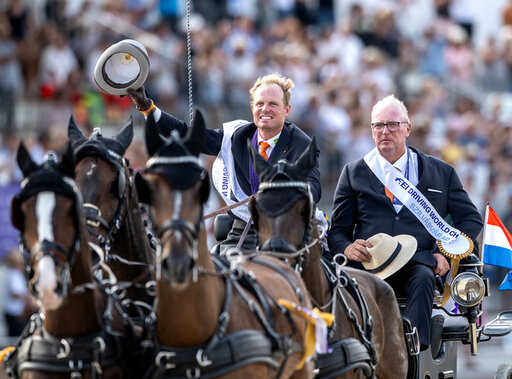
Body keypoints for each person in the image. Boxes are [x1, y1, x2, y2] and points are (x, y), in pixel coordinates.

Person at [327, 94, 483, 351]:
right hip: (369, 264)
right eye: (378, 125)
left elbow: (470, 219)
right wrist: (345, 247)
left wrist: (446, 252)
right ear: (371, 130)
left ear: (407, 129)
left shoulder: (441, 172)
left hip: (420, 263)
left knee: (422, 278)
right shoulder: (354, 171)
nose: (385, 131)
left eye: (393, 124)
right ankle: (359, 351)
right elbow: (337, 232)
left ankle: (411, 351)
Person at [128, 73, 321, 255]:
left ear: (286, 110)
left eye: (273, 104)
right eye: (260, 103)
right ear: (252, 107)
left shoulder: (302, 144)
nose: (265, 109)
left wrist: (289, 193)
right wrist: (147, 107)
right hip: (242, 234)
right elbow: (186, 132)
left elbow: (314, 187)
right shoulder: (235, 136)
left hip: (286, 232)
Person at [2, 249, 38, 336]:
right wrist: (29, 298)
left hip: (14, 312)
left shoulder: (14, 274)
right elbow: (15, 294)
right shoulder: (14, 274)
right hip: (15, 312)